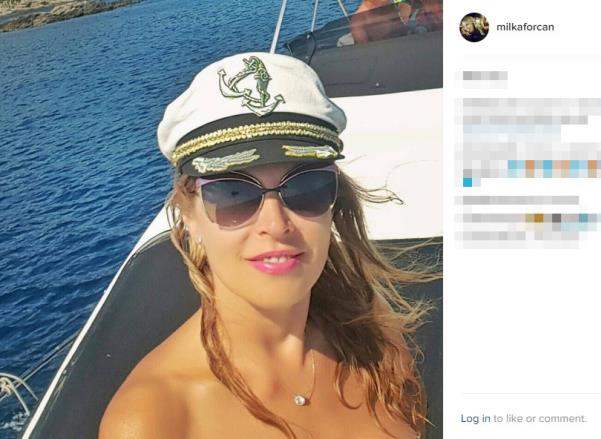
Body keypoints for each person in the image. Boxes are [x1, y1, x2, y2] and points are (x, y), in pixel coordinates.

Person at [98, 52, 437, 438]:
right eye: (233, 193)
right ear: (188, 215)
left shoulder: (375, 341)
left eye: (307, 186)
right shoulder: (155, 420)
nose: (275, 225)